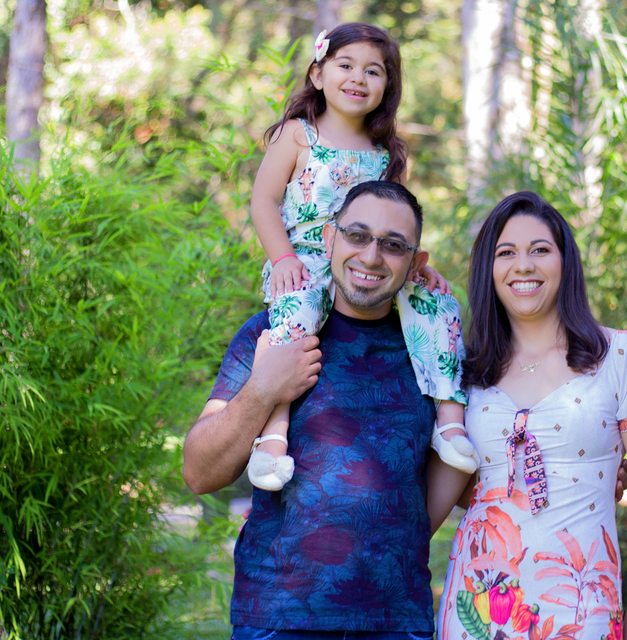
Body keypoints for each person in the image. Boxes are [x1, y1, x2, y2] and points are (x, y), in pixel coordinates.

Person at [183, 181, 452, 637]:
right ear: (329, 239)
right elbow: (199, 472)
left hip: (396, 618)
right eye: (357, 235)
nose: (370, 257)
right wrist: (264, 388)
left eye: (392, 245)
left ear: (415, 262)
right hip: (279, 615)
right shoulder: (273, 330)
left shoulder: (434, 349)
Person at [430, 192, 627, 640]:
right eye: (506, 253)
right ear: (489, 269)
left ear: (566, 263)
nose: (523, 266)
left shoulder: (621, 357)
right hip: (478, 611)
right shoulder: (466, 372)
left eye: (540, 250)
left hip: (582, 610)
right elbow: (463, 487)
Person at [246, 22, 476, 491]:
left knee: (438, 304)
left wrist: (415, 264)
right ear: (318, 74)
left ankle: (450, 419)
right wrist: (283, 257)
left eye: (374, 71)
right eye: (345, 65)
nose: (358, 78)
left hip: (366, 265)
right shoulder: (297, 136)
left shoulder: (386, 153)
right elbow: (263, 202)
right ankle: (272, 435)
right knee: (295, 317)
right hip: (306, 260)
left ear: (387, 87)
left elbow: (397, 223)